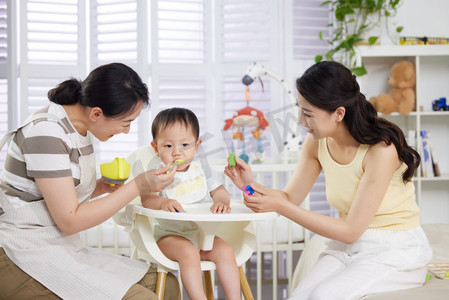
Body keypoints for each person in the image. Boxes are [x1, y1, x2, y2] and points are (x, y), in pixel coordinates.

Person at [224, 61, 433, 299]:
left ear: (339, 113)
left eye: (308, 113)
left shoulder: (381, 151)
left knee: (323, 295)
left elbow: (351, 230)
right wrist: (248, 187)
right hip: (347, 247)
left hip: (394, 249)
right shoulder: (317, 142)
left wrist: (281, 205)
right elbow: (289, 198)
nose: (301, 120)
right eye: (300, 109)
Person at [0, 63, 180, 300]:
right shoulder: (46, 133)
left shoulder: (79, 129)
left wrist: (100, 188)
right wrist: (137, 186)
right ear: (96, 113)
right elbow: (69, 220)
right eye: (126, 122)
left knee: (166, 283)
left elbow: (58, 195)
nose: (127, 131)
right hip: (21, 251)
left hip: (58, 246)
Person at [141, 107, 241, 300]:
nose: (177, 152)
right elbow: (147, 199)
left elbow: (219, 191)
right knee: (188, 252)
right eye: (168, 146)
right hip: (169, 237)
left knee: (225, 250)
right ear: (156, 148)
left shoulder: (202, 167)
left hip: (202, 235)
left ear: (197, 145)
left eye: (185, 145)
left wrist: (221, 202)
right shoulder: (157, 171)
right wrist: (163, 202)